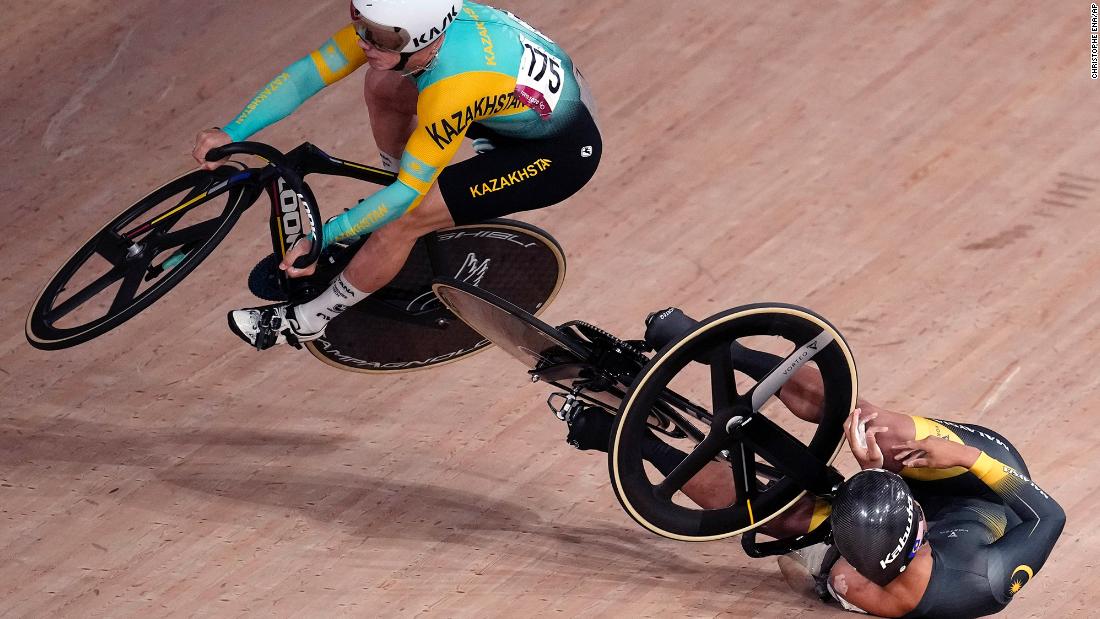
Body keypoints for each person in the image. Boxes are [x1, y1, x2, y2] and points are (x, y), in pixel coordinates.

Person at [192, 0, 601, 349]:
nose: (364, 41)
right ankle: (382, 226)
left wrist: (329, 234)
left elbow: (407, 195)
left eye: (380, 37)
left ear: (424, 37)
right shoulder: (406, 29)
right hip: (510, 107)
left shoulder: (452, 89)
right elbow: (309, 74)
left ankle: (308, 320)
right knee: (383, 83)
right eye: (360, 22)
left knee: (401, 219)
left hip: (555, 156)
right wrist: (232, 130)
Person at [567, 338, 1065, 618]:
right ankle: (719, 345)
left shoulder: (865, 584)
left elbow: (828, 571)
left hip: (897, 514)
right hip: (988, 488)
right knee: (877, 429)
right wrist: (962, 455)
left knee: (780, 518)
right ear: (918, 534)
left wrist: (875, 483)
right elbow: (1049, 514)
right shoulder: (994, 573)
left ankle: (624, 438)